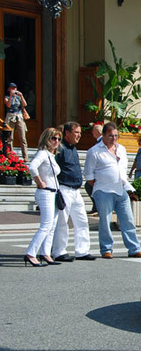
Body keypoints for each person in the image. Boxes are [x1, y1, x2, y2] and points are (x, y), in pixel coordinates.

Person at [84, 122, 141, 259]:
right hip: (103, 190)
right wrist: (102, 184)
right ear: (104, 135)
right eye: (111, 135)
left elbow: (122, 169)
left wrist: (128, 188)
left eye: (116, 135)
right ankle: (106, 249)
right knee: (105, 221)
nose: (114, 138)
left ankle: (134, 248)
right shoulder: (94, 151)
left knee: (128, 219)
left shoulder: (122, 149)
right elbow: (89, 176)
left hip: (121, 189)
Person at [51, 121, 95, 262]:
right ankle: (58, 251)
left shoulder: (73, 148)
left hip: (75, 190)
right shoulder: (61, 148)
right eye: (76, 132)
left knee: (82, 220)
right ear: (67, 133)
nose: (79, 136)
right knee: (62, 222)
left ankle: (82, 251)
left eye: (80, 133)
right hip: (64, 188)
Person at [23, 128, 63, 267]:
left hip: (54, 193)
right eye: (53, 138)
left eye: (58, 139)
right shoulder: (43, 153)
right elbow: (32, 167)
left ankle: (46, 253)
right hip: (45, 192)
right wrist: (39, 181)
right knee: (46, 225)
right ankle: (31, 253)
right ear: (46, 139)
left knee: (51, 226)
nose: (56, 141)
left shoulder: (51, 156)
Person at [4, 82, 28, 160]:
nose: (14, 89)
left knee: (22, 137)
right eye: (12, 88)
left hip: (19, 117)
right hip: (11, 117)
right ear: (9, 89)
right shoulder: (6, 97)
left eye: (15, 88)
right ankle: (11, 155)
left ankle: (25, 156)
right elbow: (8, 105)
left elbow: (24, 104)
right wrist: (11, 95)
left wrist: (21, 96)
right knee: (10, 138)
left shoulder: (19, 97)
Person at [85, 123, 103, 214]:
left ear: (97, 131)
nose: (92, 132)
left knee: (89, 186)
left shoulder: (101, 142)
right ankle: (96, 206)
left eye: (93, 130)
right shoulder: (98, 141)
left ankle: (98, 206)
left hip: (99, 171)